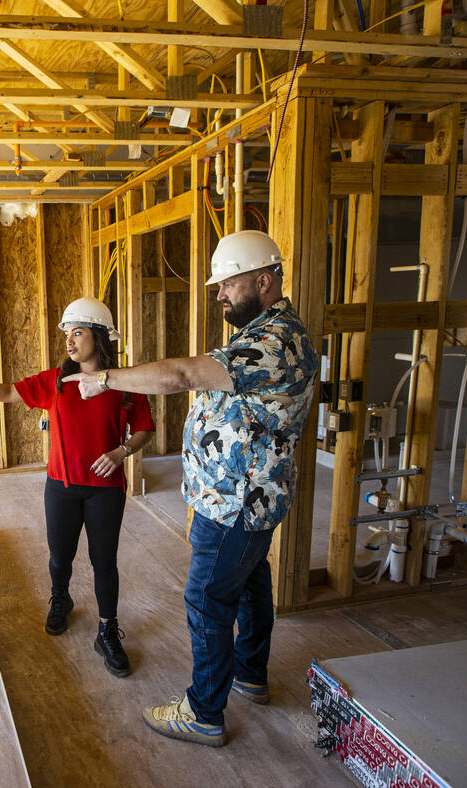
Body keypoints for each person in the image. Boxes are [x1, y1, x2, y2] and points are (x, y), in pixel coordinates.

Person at [63, 230, 319, 746]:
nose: (219, 294)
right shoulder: (264, 332)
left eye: (228, 284)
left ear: (264, 281)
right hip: (241, 497)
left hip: (237, 502)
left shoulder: (274, 343)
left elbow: (182, 374)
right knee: (249, 585)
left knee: (206, 598)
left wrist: (108, 379)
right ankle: (249, 674)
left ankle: (204, 711)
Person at [0, 297, 154, 677]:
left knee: (104, 562)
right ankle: (61, 599)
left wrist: (122, 452)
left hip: (106, 489)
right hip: (61, 486)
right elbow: (9, 392)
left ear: (100, 337)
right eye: (67, 334)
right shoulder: (55, 382)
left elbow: (144, 429)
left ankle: (107, 631)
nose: (69, 342)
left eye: (78, 333)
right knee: (60, 557)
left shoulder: (123, 383)